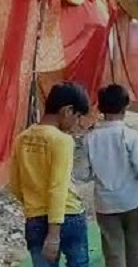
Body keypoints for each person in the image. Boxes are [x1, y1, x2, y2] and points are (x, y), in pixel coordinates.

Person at [73, 84, 138, 267]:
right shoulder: (130, 135)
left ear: (101, 107)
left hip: (105, 204)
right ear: (126, 106)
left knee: (113, 252)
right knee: (134, 248)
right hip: (131, 201)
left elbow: (84, 174)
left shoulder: (90, 138)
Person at [8, 82, 91, 267]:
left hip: (35, 219)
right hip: (68, 216)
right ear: (68, 111)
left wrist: (33, 203)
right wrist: (53, 234)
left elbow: (14, 183)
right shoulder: (62, 140)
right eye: (78, 117)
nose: (77, 124)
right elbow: (58, 187)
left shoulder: (22, 138)